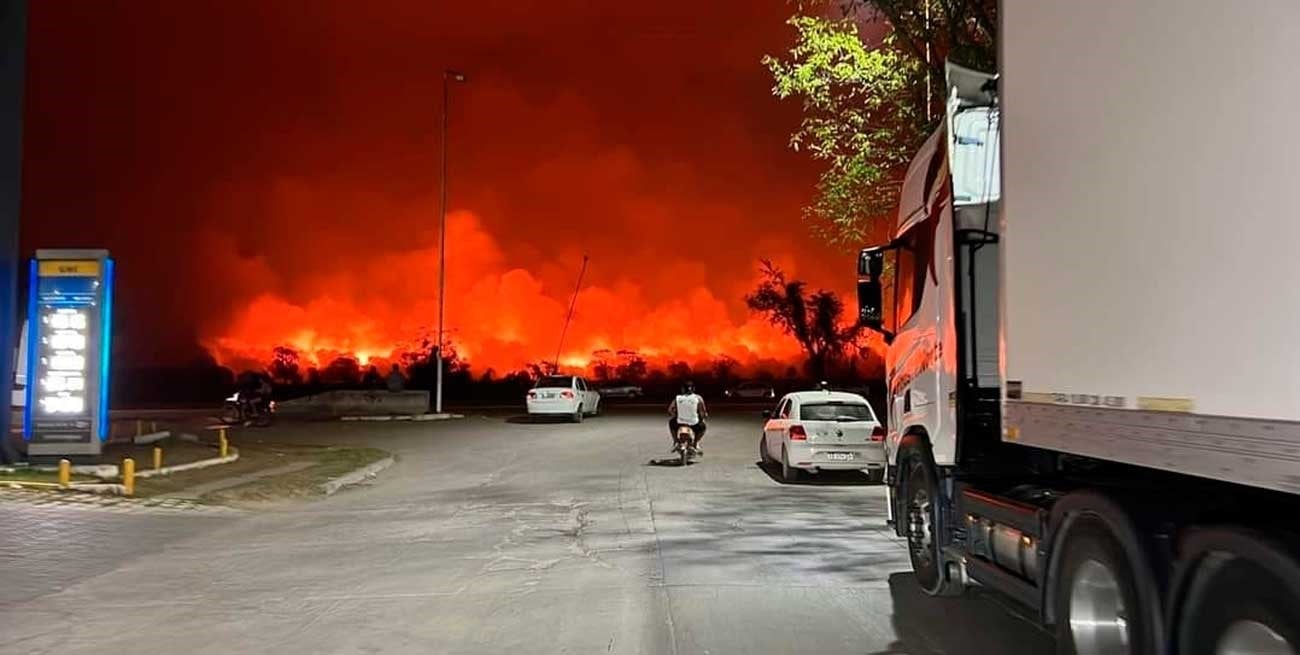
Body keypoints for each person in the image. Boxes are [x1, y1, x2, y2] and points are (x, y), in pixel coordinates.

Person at [668, 381, 707, 454]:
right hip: (694, 423)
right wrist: (703, 416)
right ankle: (696, 443)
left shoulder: (678, 398)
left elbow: (670, 410)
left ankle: (676, 441)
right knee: (703, 427)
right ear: (693, 389)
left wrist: (674, 415)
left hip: (679, 423)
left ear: (683, 389)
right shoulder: (698, 398)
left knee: (671, 423)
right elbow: (702, 411)